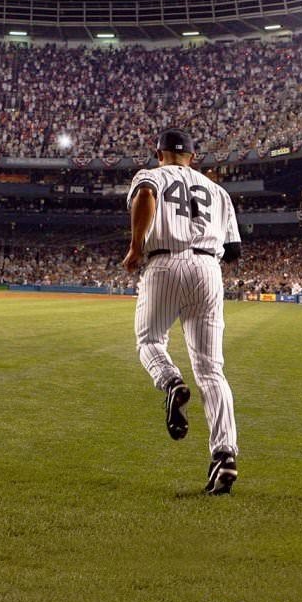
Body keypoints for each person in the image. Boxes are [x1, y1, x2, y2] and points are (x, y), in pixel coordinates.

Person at [122, 128, 243, 495]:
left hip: (164, 262)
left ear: (158, 154)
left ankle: (171, 381)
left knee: (149, 341)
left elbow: (145, 196)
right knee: (212, 371)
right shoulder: (218, 191)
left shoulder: (152, 175)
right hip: (209, 269)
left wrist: (135, 246)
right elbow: (234, 251)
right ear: (194, 157)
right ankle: (225, 456)